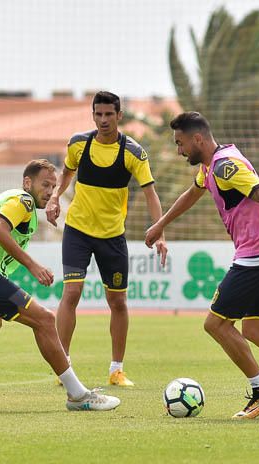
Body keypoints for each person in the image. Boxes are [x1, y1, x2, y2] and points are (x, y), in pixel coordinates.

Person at [145, 111, 259, 420]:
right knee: (255, 330)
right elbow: (192, 194)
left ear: (197, 139)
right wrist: (160, 224)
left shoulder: (226, 167)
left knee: (215, 324)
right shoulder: (210, 166)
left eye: (180, 143)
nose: (179, 151)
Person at [0, 159, 120, 411]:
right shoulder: (23, 201)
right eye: (45, 184)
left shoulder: (3, 199)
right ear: (27, 182)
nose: (49, 191)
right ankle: (78, 396)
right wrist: (32, 266)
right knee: (45, 319)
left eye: (53, 186)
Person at [45, 91, 162, 386]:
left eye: (109, 114)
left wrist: (160, 232)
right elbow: (67, 174)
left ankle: (116, 370)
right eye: (98, 114)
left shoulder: (133, 152)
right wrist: (56, 197)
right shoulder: (79, 144)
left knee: (118, 301)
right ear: (93, 115)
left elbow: (150, 193)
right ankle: (63, 367)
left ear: (119, 116)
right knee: (71, 294)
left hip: (112, 236)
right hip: (78, 231)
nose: (103, 120)